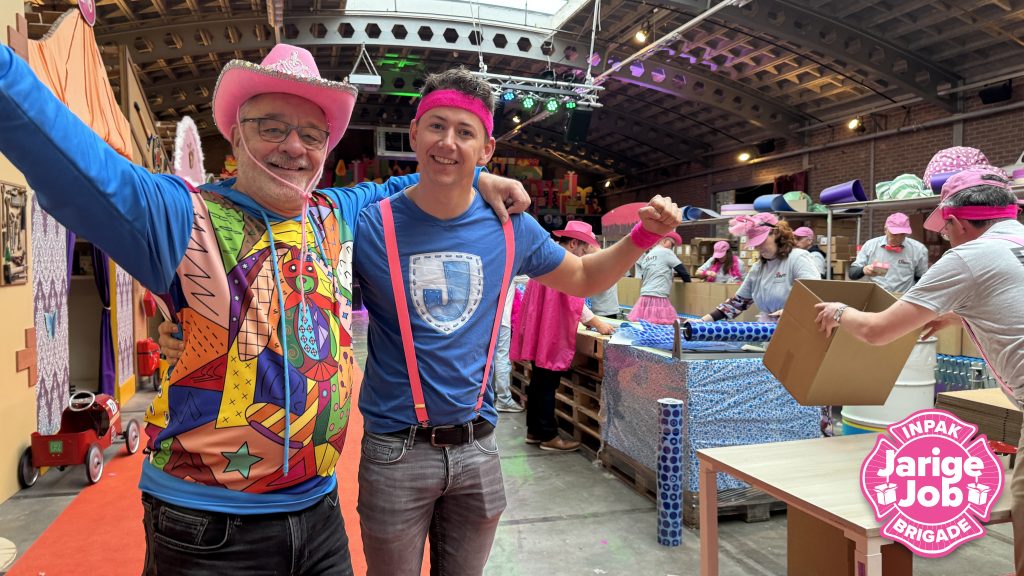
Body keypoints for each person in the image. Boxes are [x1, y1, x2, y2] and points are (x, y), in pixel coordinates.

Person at [0, 43, 529, 575]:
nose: (293, 147)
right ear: (235, 135)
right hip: (208, 526)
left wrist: (478, 177)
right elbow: (77, 167)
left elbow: (410, 182)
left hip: (320, 516)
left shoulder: (335, 213)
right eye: (272, 128)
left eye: (312, 135)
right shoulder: (184, 215)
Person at [350, 68, 681, 575]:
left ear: (486, 148)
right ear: (413, 134)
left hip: (479, 448)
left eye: (465, 132)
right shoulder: (371, 224)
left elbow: (583, 276)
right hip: (396, 450)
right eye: (437, 126)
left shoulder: (511, 226)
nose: (448, 142)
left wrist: (642, 236)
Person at [812, 166, 1024, 573]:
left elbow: (876, 331)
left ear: (957, 223)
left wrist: (839, 312)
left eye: (945, 232)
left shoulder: (968, 256)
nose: (947, 239)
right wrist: (959, 315)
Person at [511, 221, 616, 453]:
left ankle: (534, 431)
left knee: (539, 382)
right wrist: (597, 323)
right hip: (550, 334)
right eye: (584, 249)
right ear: (574, 243)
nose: (583, 256)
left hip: (540, 332)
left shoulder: (547, 259)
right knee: (547, 384)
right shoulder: (561, 263)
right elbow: (574, 298)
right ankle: (548, 435)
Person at [692, 214, 820, 323]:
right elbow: (737, 303)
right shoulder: (758, 268)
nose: (758, 247)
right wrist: (702, 321)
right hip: (769, 330)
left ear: (776, 233)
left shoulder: (797, 258)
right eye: (755, 243)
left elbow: (815, 294)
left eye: (761, 241)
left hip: (798, 327)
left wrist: (791, 311)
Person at [848, 212, 929, 293]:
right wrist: (863, 270)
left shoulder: (918, 249)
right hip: (876, 296)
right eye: (894, 234)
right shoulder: (870, 245)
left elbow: (922, 279)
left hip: (903, 297)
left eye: (902, 234)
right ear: (885, 230)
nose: (898, 238)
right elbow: (852, 273)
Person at [627, 231, 690, 324]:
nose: (672, 248)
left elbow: (645, 275)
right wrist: (688, 282)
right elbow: (682, 271)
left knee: (645, 324)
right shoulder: (666, 252)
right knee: (659, 325)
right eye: (672, 244)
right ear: (664, 241)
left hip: (644, 296)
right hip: (658, 296)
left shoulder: (648, 256)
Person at [491, 283, 525, 413]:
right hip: (502, 320)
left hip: (485, 320)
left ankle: (489, 396)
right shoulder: (512, 272)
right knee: (501, 358)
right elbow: (533, 278)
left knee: (487, 357)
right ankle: (503, 399)